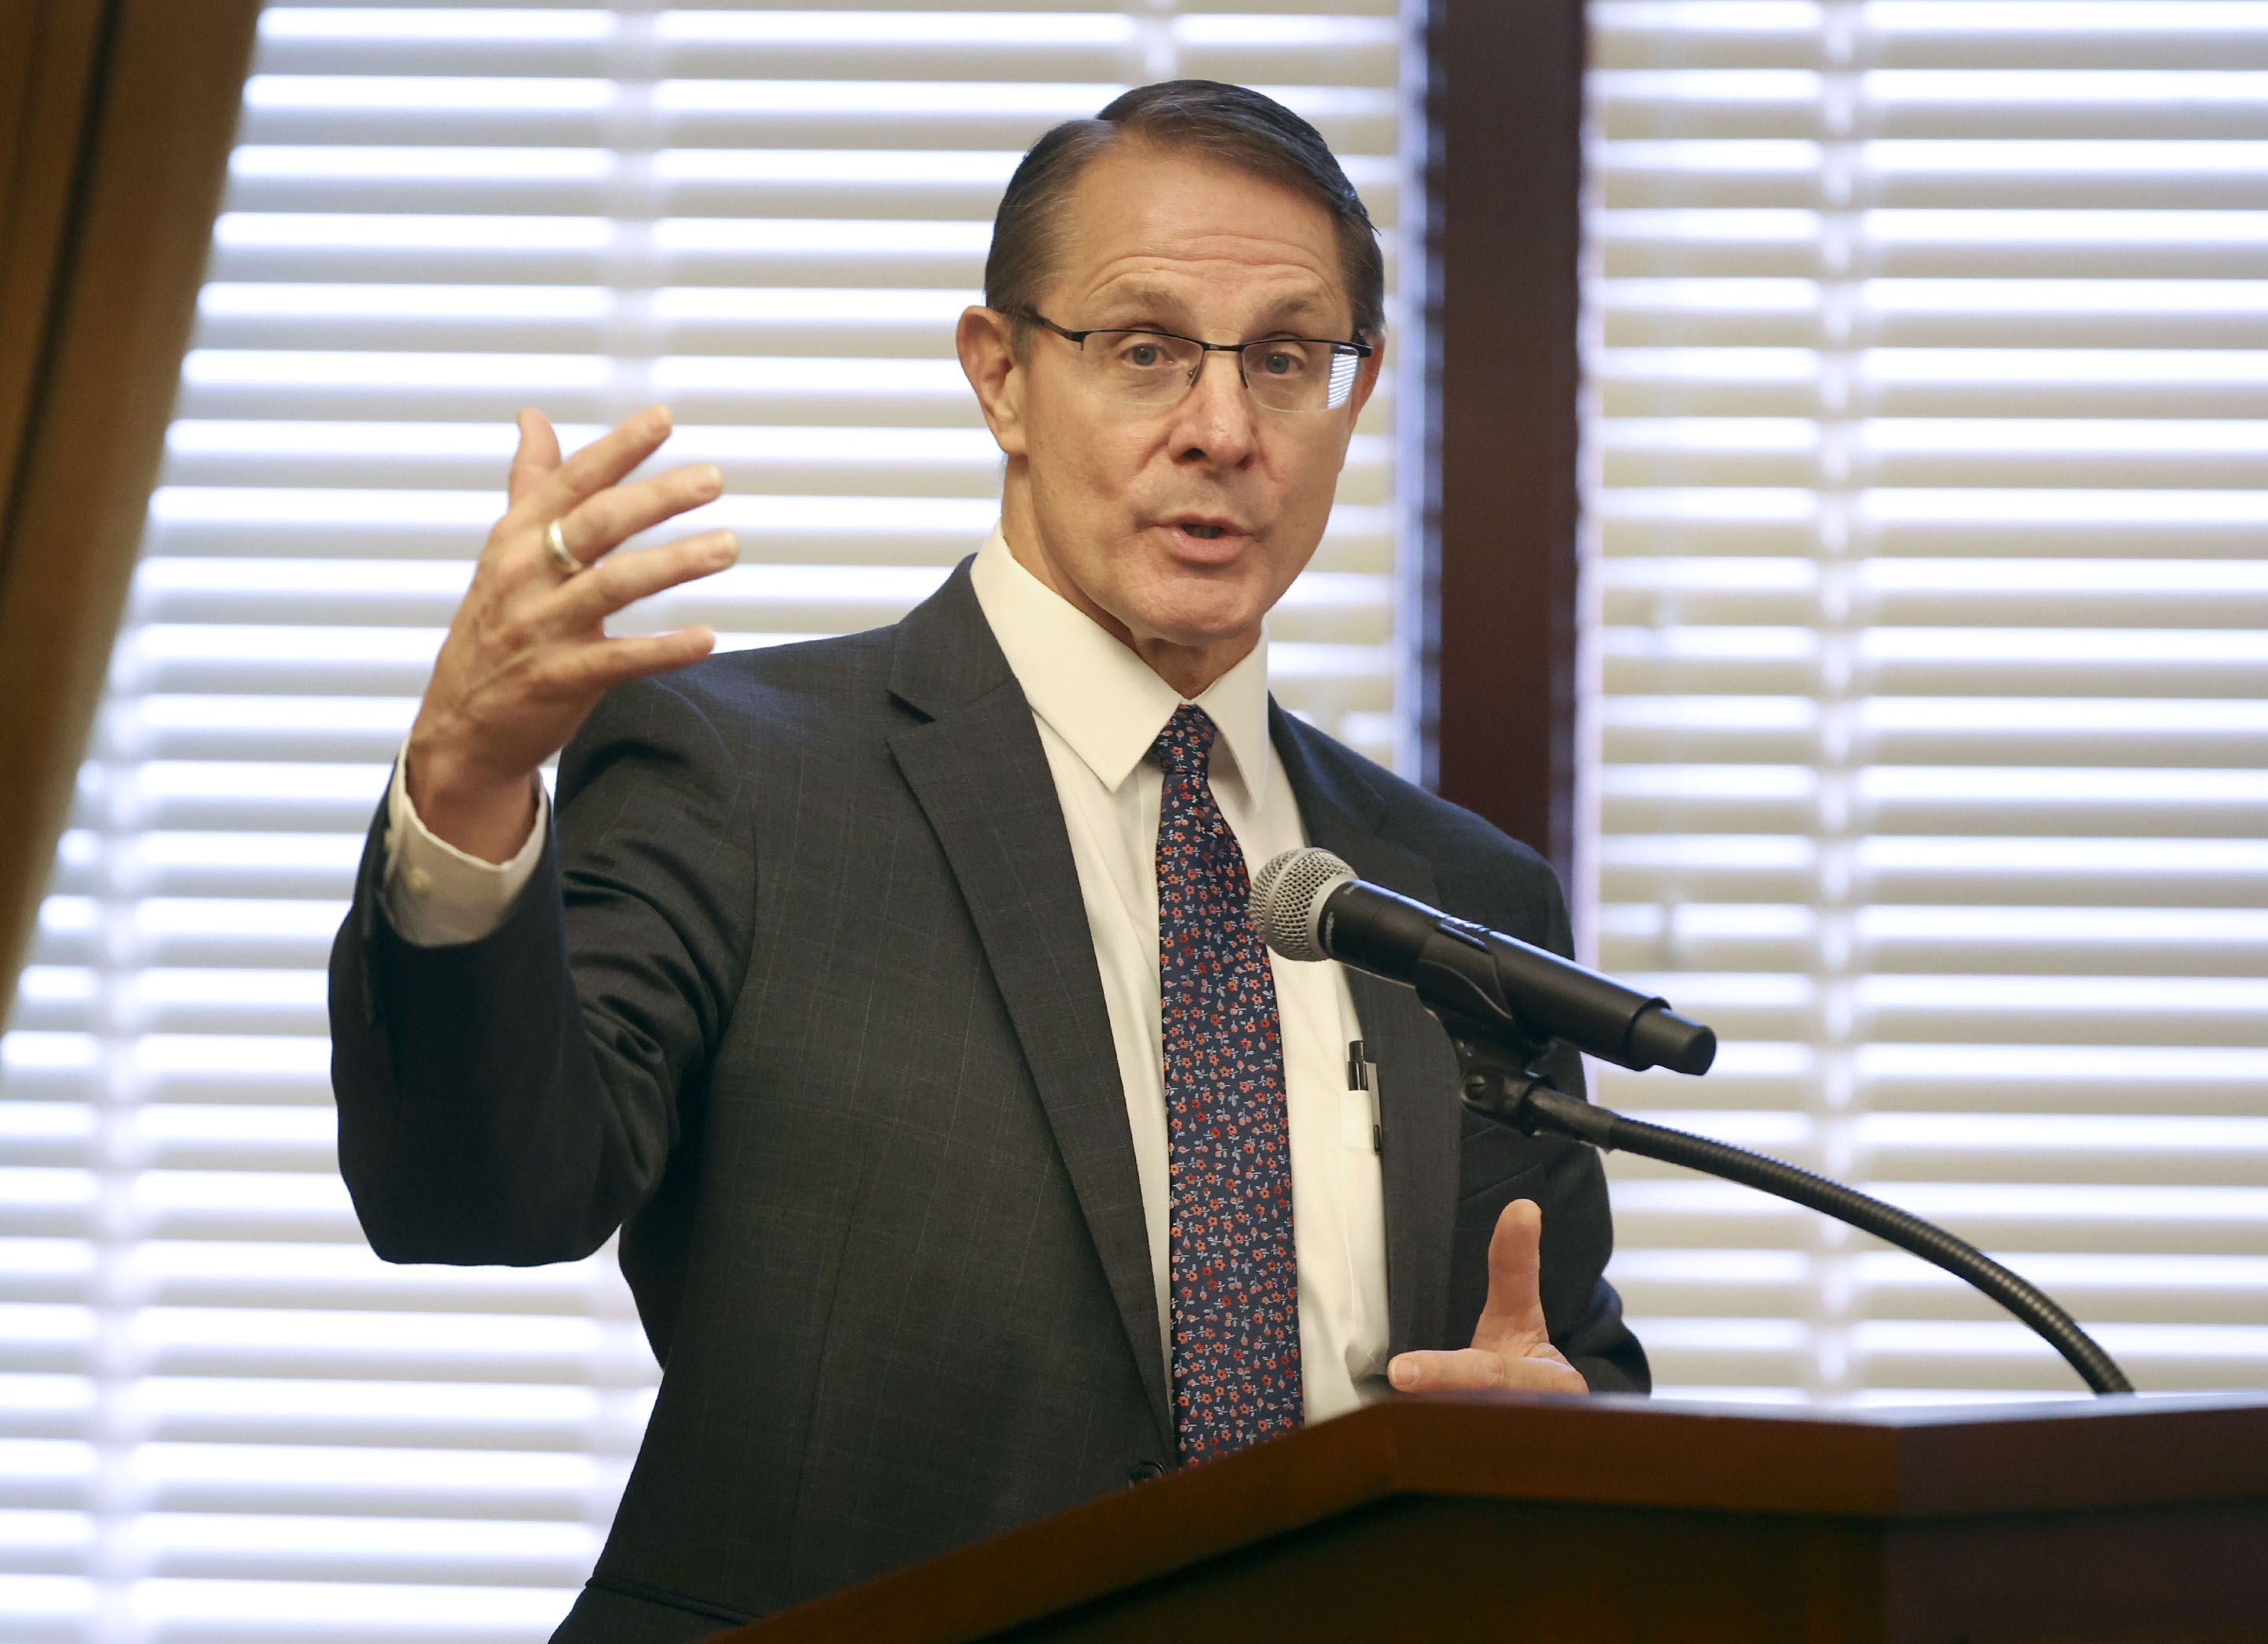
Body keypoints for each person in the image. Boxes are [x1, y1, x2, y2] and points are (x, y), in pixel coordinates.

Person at [327, 80, 1645, 1642]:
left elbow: (1563, 1367)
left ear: (1353, 392)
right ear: (1001, 375)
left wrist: (1554, 1444)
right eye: (1146, 348)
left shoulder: (1457, 899)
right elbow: (481, 1191)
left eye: (1287, 359)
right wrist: (470, 787)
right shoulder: (743, 772)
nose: (1221, 429)